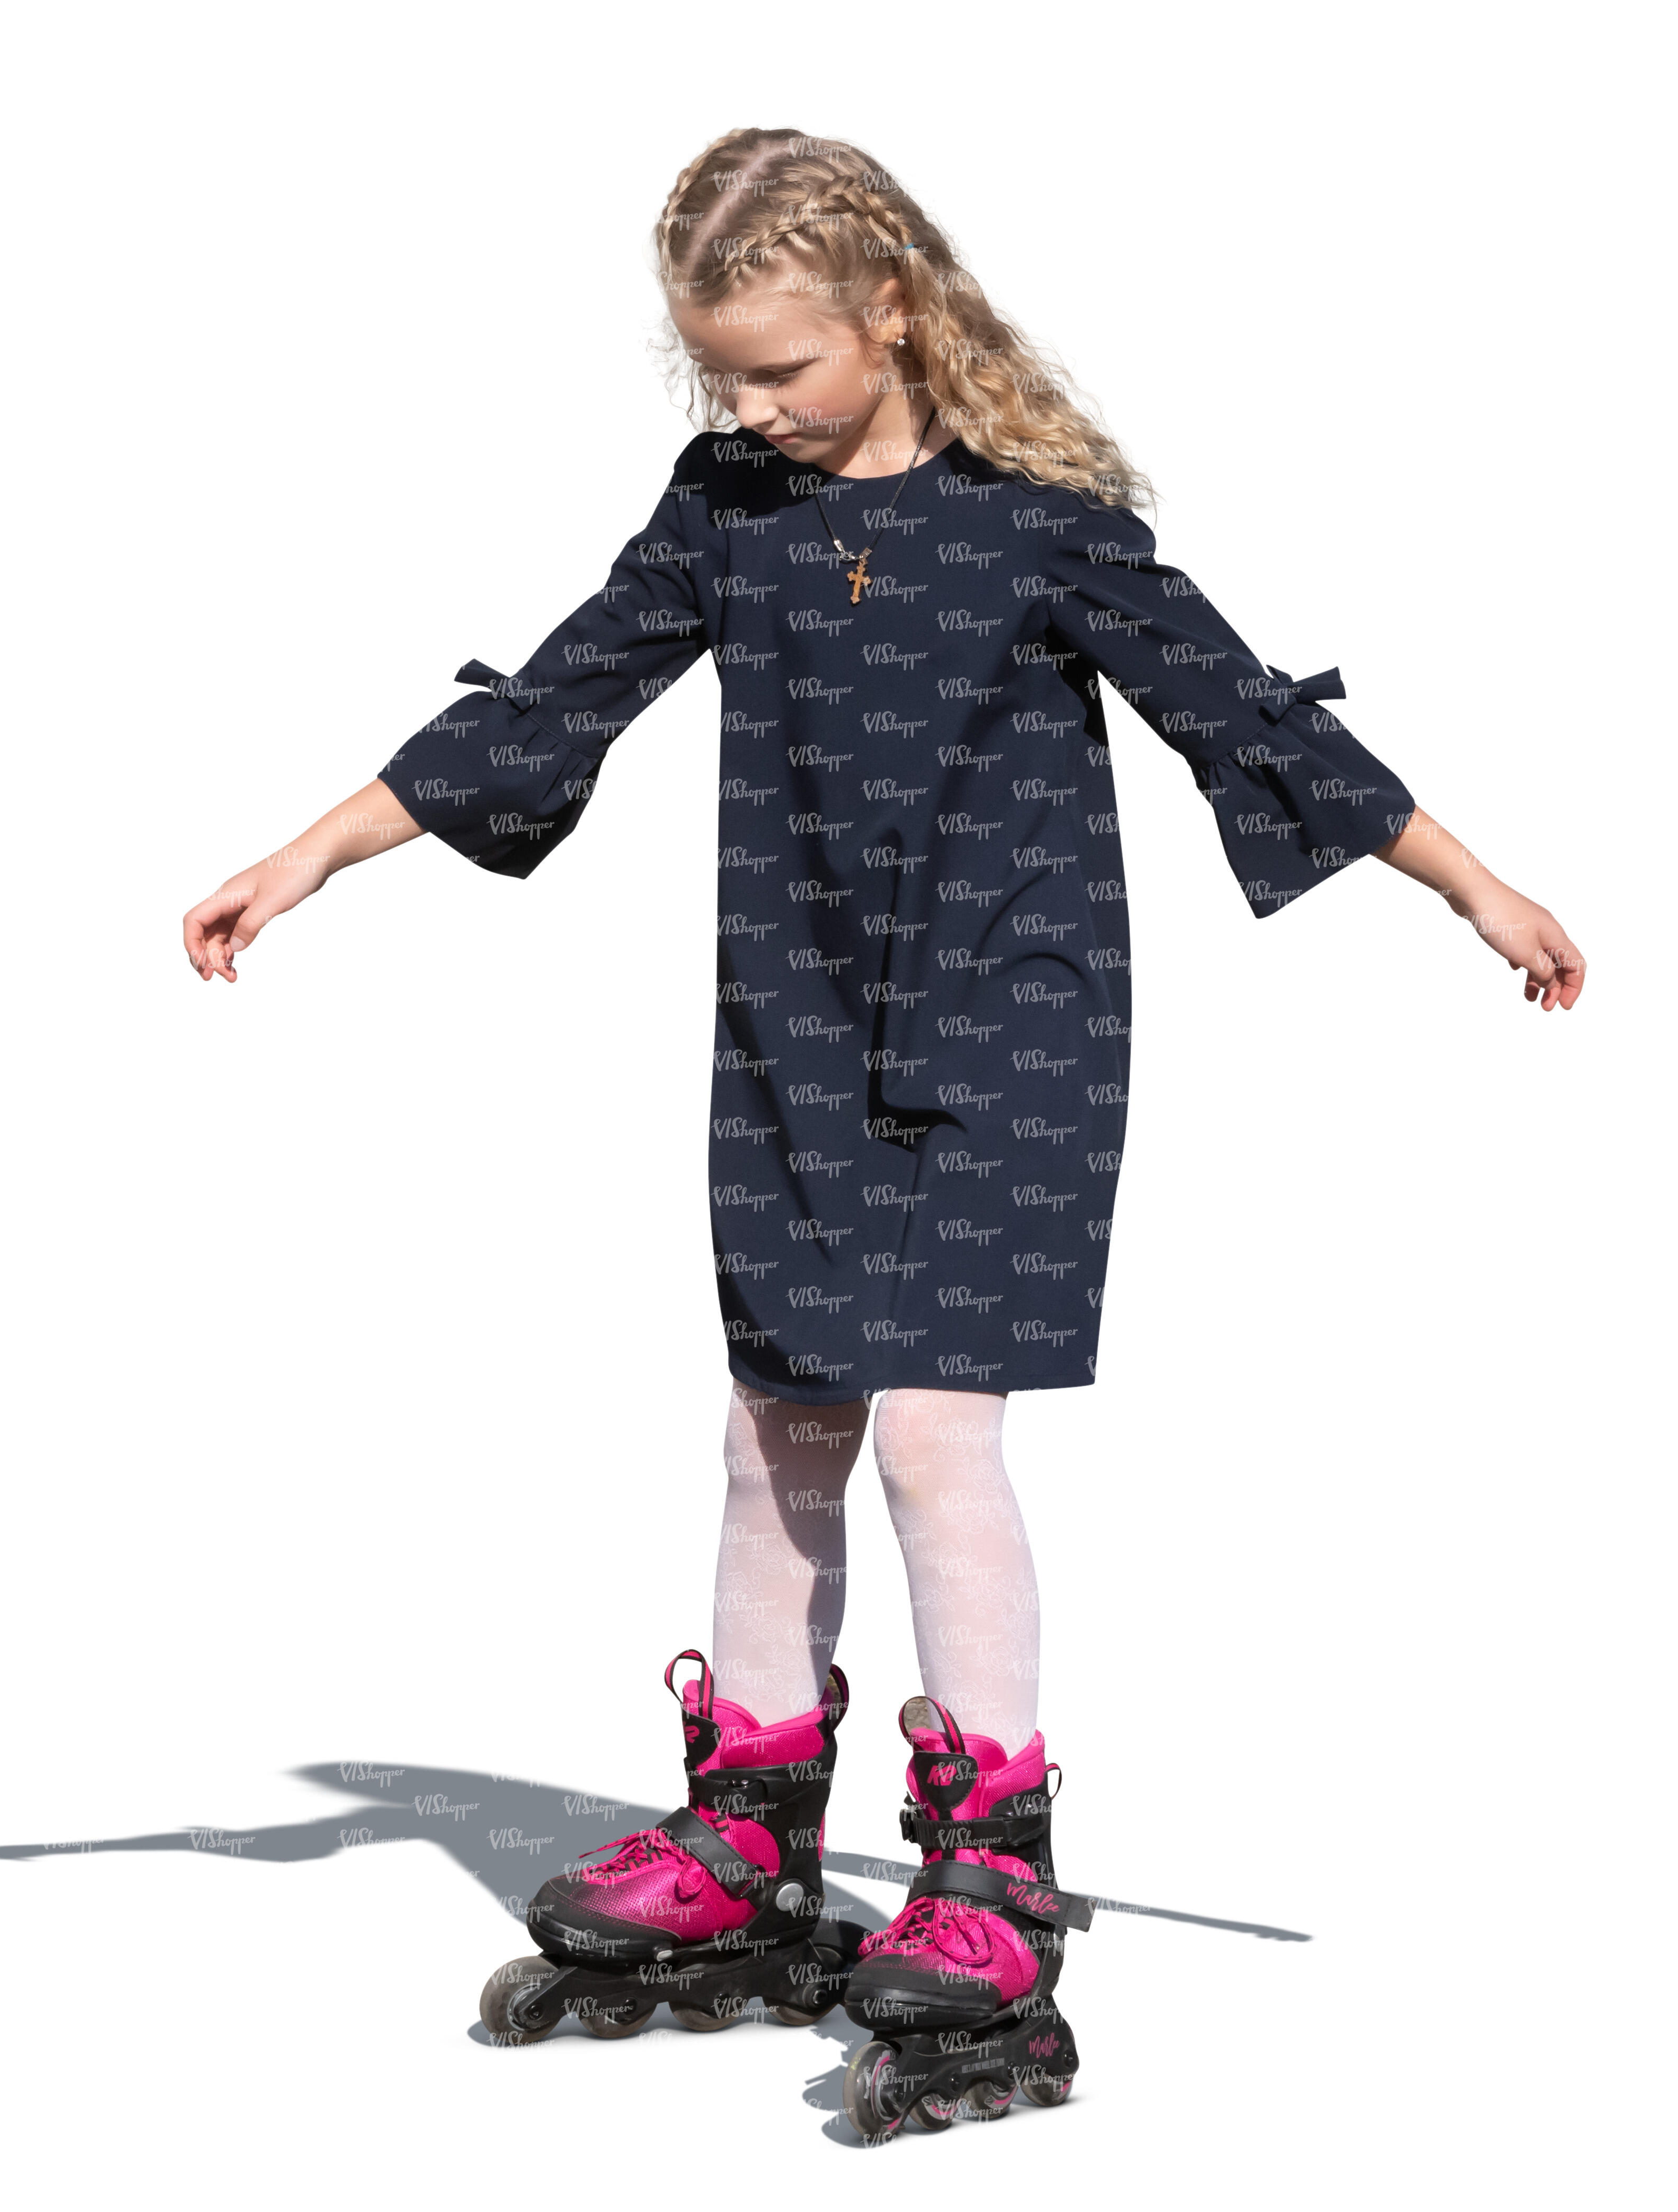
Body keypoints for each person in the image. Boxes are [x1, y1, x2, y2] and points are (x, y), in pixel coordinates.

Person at [183, 129, 1584, 2132]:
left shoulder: (1041, 524)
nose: (751, 409)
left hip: (1012, 1024)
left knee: (933, 1430)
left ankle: (991, 1869)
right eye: (721, 376)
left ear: (895, 310)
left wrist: (1476, 890)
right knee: (777, 1418)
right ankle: (748, 1832)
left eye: (781, 370)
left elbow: (1248, 716)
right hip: (799, 1017)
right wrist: (311, 852)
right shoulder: (729, 514)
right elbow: (557, 700)